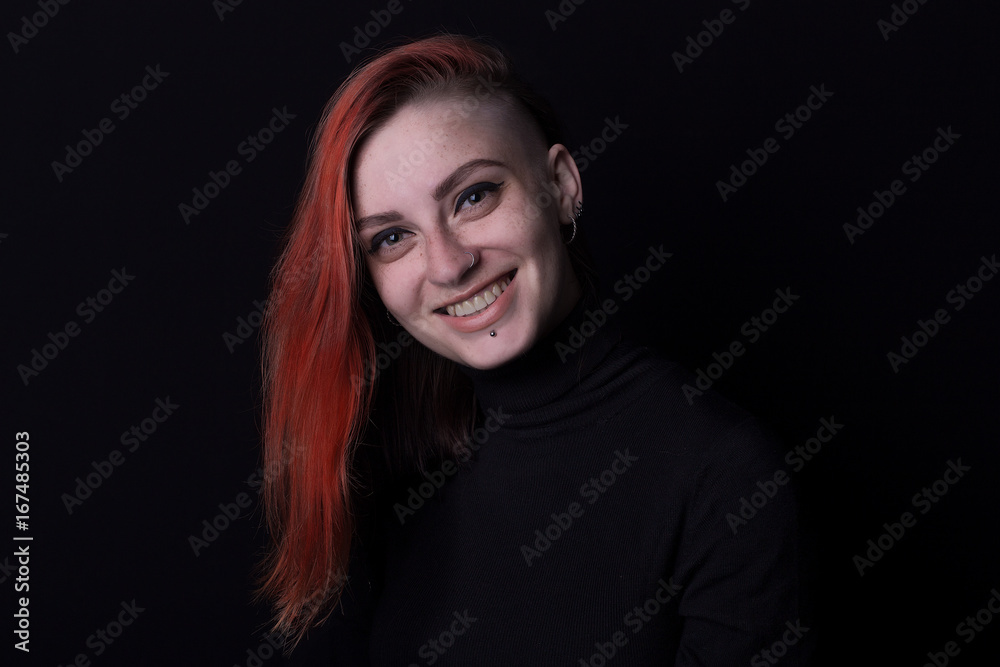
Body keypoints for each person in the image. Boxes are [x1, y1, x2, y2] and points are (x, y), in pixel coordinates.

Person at [259, 33, 811, 665]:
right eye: (392, 237)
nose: (448, 265)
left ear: (562, 185)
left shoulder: (722, 471)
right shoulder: (393, 468)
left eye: (474, 196)